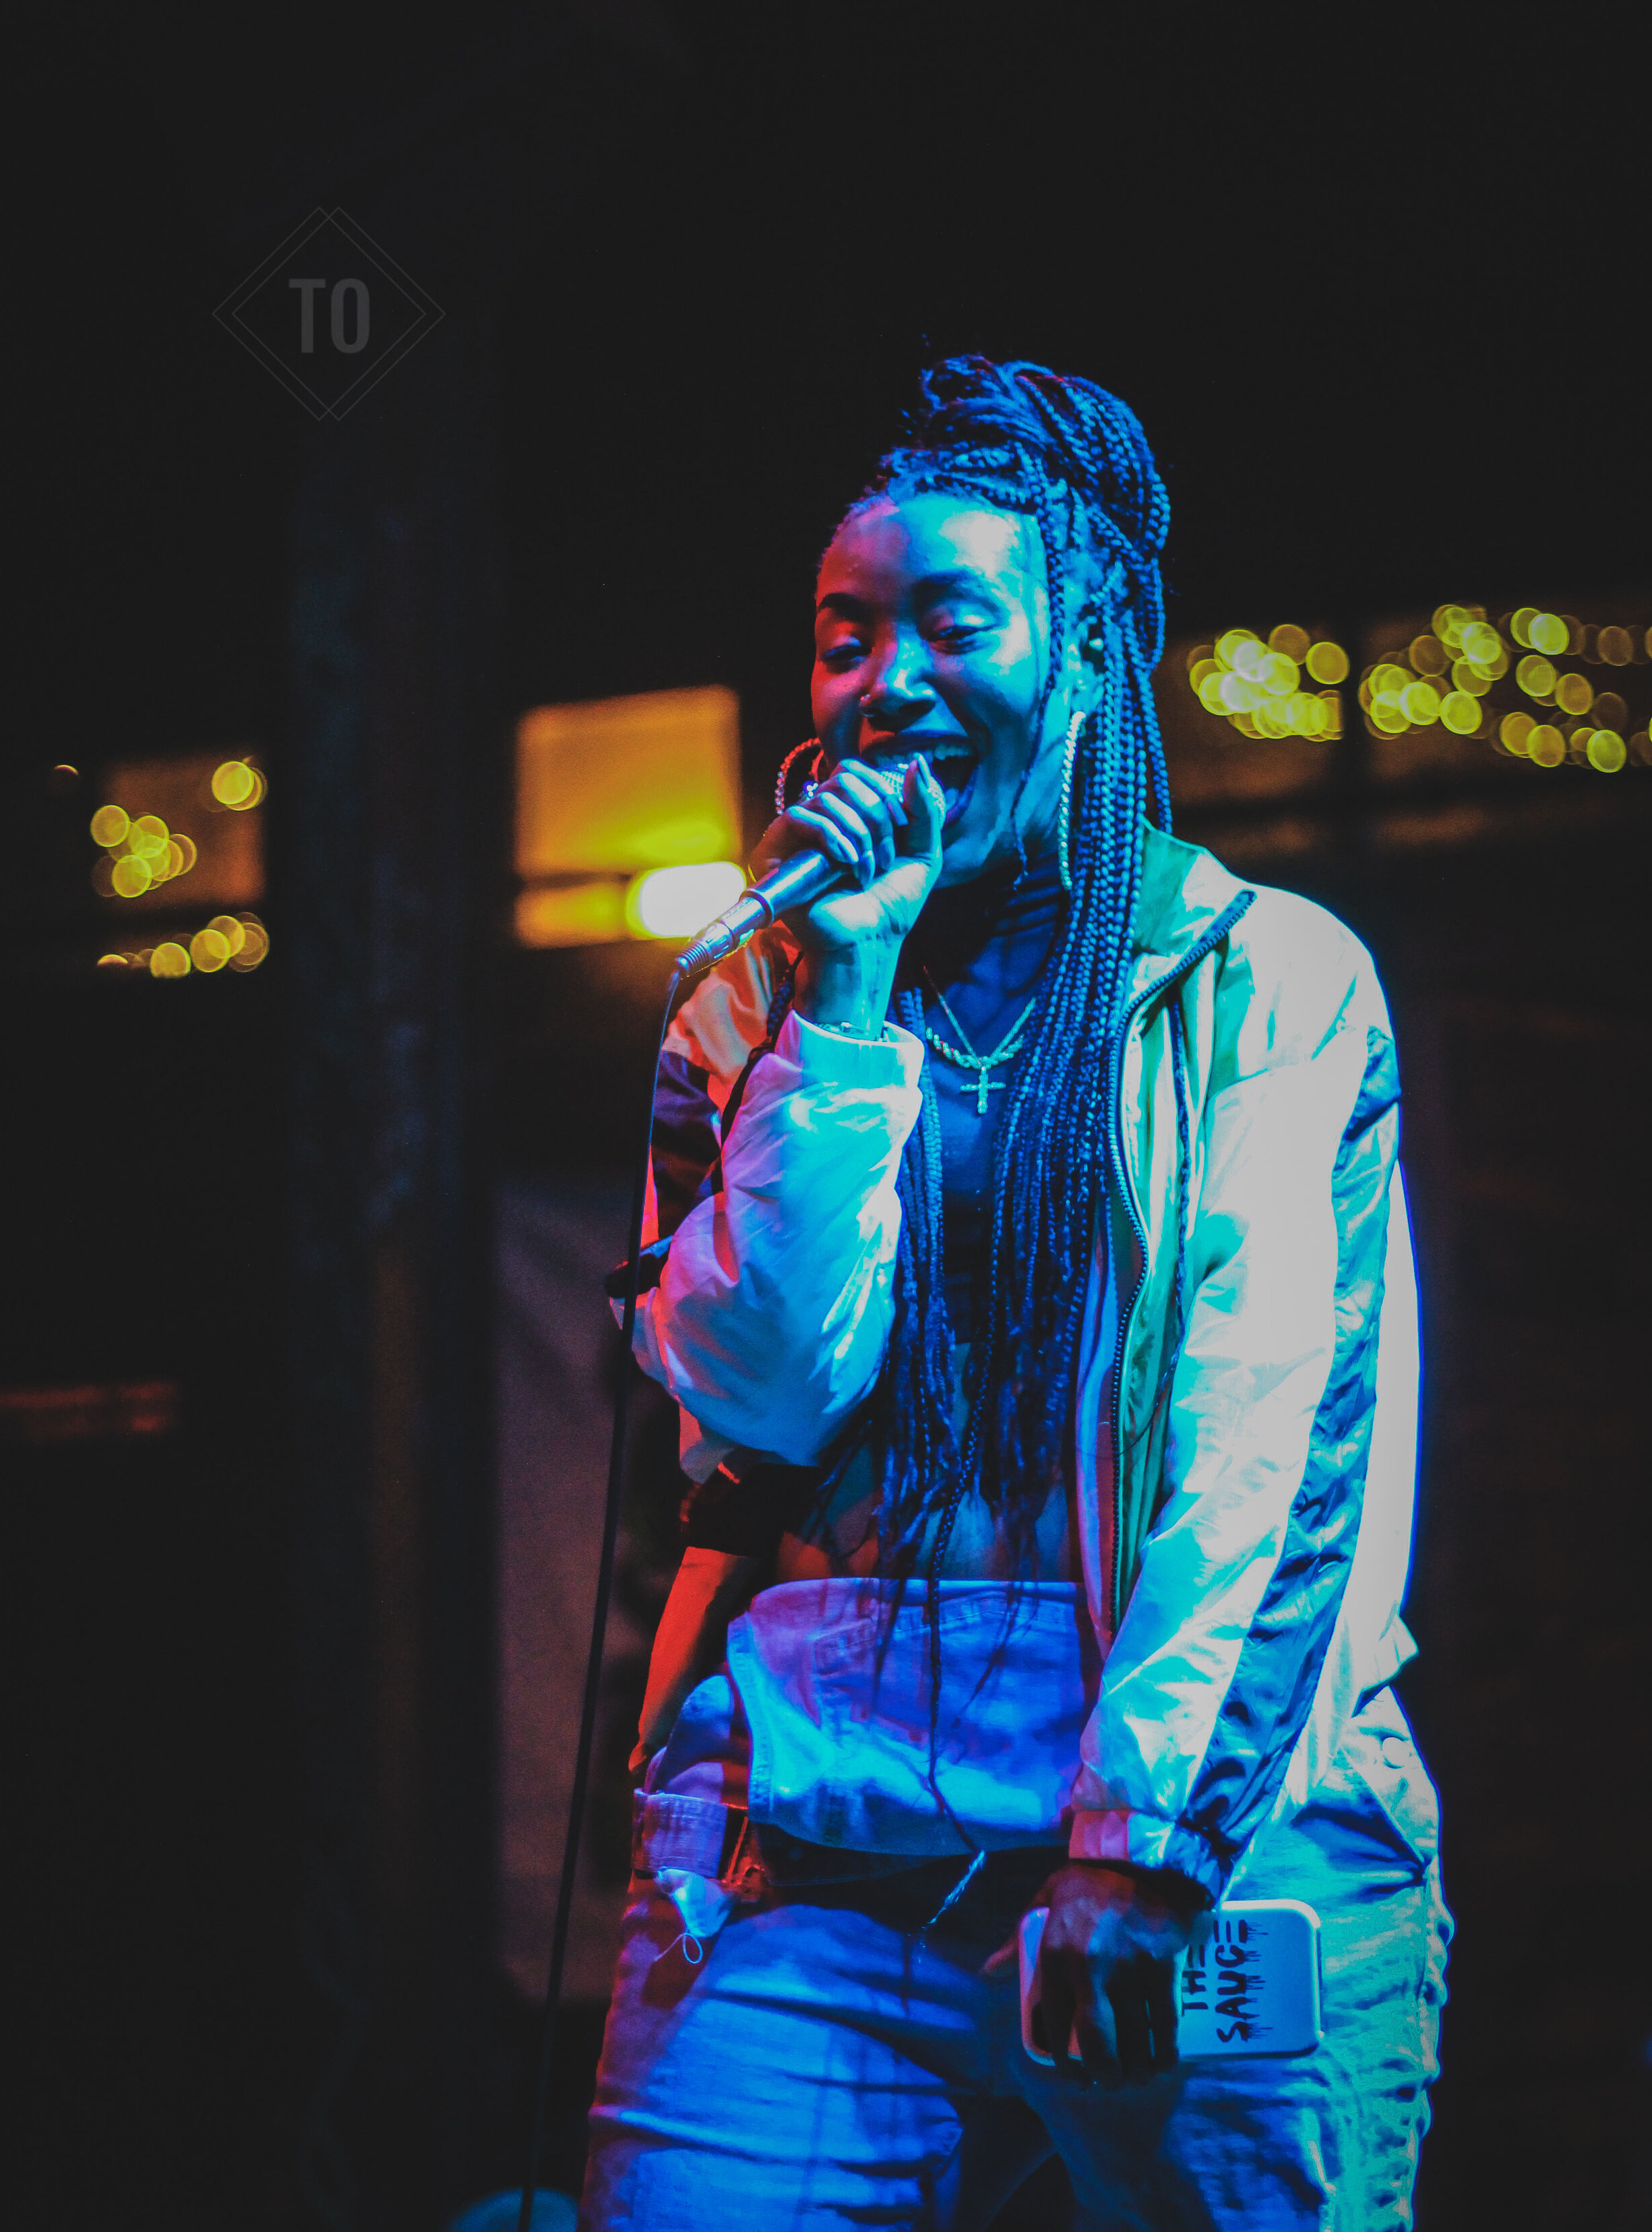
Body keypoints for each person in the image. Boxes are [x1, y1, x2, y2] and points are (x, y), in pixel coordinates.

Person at [578, 357, 1448, 2229]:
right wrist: (849, 1007)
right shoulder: (764, 1000)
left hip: (1188, 1848)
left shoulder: (1258, 981)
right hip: (816, 1857)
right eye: (841, 633)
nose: (883, 678)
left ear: (1086, 650)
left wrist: (1138, 1853)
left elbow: (1257, 1437)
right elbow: (755, 1406)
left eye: (949, 620)